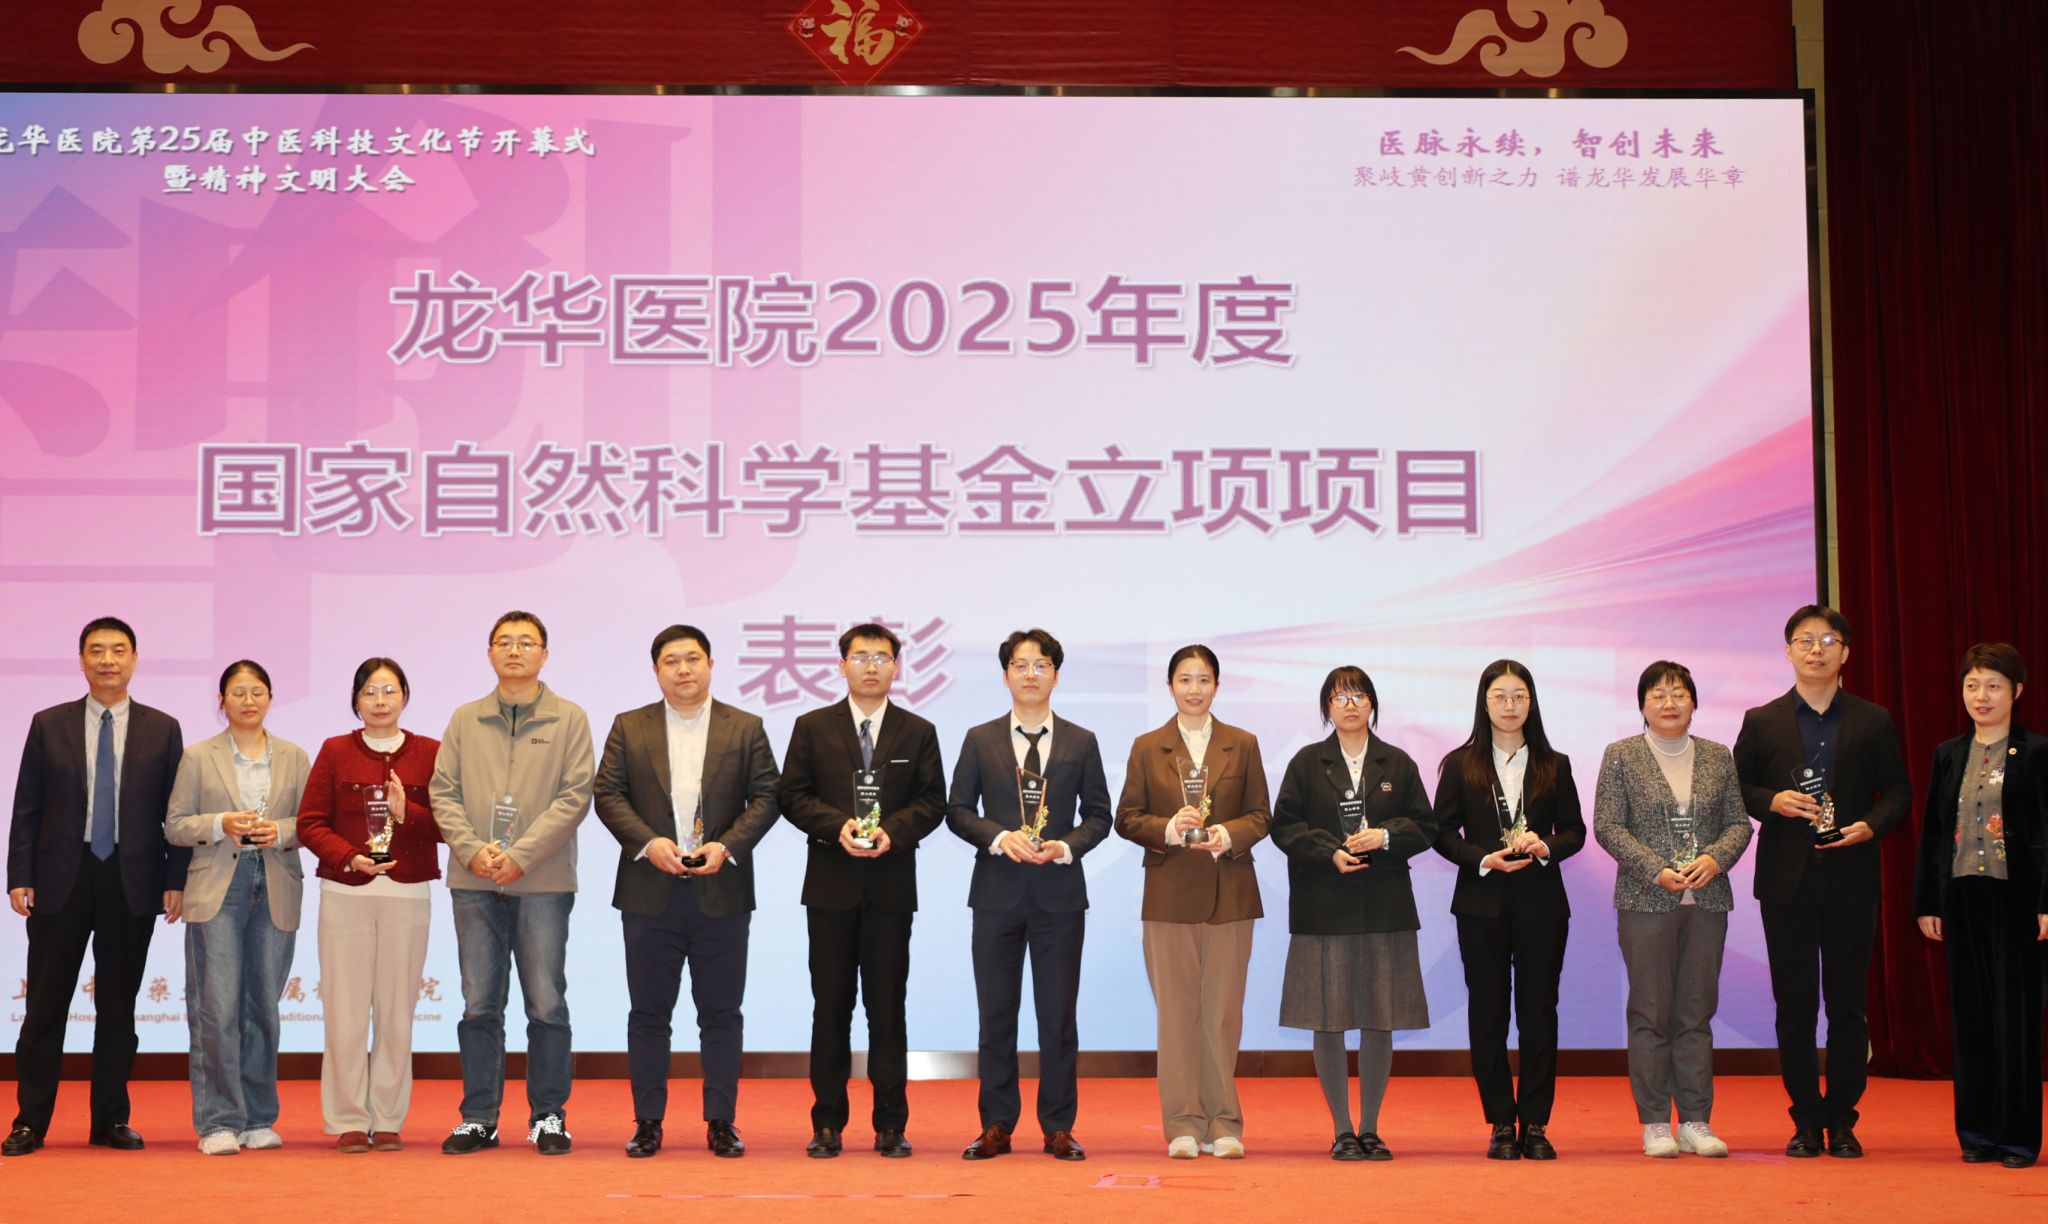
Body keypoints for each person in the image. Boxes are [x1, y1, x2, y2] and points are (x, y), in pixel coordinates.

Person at [593, 625, 781, 1160]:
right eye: (671, 661)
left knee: (721, 1013)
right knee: (648, 1014)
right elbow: (608, 793)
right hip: (648, 890)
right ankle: (647, 1123)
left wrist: (728, 845)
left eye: (693, 658)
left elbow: (768, 795)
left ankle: (722, 1122)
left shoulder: (745, 727)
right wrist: (647, 842)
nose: (683, 669)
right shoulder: (630, 726)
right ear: (656, 670)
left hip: (721, 889)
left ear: (710, 665)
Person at [1732, 605, 1911, 1159]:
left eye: (1828, 640)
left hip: (1852, 880)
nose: (1816, 650)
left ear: (1845, 653)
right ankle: (1806, 1118)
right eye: (1805, 640)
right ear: (1788, 650)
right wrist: (1772, 801)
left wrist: (1870, 826)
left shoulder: (1873, 718)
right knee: (1795, 1007)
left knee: (1848, 1007)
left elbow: (1899, 792)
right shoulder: (1761, 720)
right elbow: (1737, 788)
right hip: (1786, 883)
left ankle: (1844, 1119)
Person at [5, 617, 186, 1157]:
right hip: (61, 877)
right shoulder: (48, 724)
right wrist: (20, 876)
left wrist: (174, 880)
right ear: (81, 660)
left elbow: (176, 815)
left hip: (132, 879)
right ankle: (29, 1121)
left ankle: (110, 1119)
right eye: (97, 650)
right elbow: (27, 806)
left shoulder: (163, 728)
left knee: (117, 1008)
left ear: (135, 659)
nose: (108, 660)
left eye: (119, 650)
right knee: (45, 1006)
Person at [776, 623, 947, 1159]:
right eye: (860, 656)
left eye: (882, 657)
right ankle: (827, 1123)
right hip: (830, 888)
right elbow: (792, 795)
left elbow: (932, 802)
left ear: (897, 666)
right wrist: (837, 826)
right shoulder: (812, 727)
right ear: (841, 665)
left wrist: (893, 831)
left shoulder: (918, 731)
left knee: (887, 1008)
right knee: (830, 1008)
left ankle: (891, 1124)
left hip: (890, 890)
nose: (871, 666)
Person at [944, 629, 1113, 1163]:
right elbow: (957, 810)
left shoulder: (1081, 741)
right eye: (1021, 665)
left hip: (1059, 898)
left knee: (1057, 1018)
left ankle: (1058, 1127)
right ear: (1006, 675)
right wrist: (998, 837)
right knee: (996, 1015)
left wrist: (1065, 846)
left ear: (1056, 675)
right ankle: (996, 1125)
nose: (1031, 674)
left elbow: (1100, 815)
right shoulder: (980, 738)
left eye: (1041, 665)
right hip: (996, 896)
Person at [430, 610, 594, 1156]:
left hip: (542, 881)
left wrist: (520, 856)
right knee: (479, 1004)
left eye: (526, 642)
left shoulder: (569, 718)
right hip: (473, 879)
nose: (515, 651)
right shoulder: (465, 718)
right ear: (490, 653)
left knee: (546, 1003)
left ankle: (548, 1116)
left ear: (545, 654)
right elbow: (442, 792)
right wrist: (473, 850)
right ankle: (479, 1118)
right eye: (504, 642)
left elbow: (575, 796)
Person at [1114, 644, 1271, 1160]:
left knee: (1223, 1013)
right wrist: (1169, 828)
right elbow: (1126, 818)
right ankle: (1182, 1123)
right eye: (1185, 679)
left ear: (1217, 686)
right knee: (1177, 1013)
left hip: (1231, 893)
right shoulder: (1147, 747)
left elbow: (1261, 815)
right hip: (1169, 896)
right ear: (1170, 686)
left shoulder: (1242, 744)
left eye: (1204, 679)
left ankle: (1224, 1122)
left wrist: (1226, 834)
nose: (1194, 689)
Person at [1272, 666, 1433, 1162]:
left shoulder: (1397, 762)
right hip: (1324, 907)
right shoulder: (1307, 762)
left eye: (1359, 696)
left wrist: (1385, 837)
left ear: (1372, 705)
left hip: (1385, 906)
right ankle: (1342, 1129)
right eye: (1340, 697)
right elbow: (1283, 827)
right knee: (1328, 1020)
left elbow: (1426, 826)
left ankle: (1371, 1128)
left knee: (1380, 1018)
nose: (1350, 705)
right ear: (1327, 707)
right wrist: (1329, 851)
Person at [1594, 660, 1752, 1159]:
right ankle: (1656, 1122)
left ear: (1694, 702)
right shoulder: (1621, 755)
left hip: (1706, 900)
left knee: (1696, 1012)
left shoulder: (1717, 756)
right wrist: (1654, 869)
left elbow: (1739, 823)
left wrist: (1715, 858)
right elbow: (1607, 825)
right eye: (1658, 695)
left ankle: (1697, 1121)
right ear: (1642, 704)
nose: (1669, 703)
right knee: (1651, 1011)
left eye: (1679, 693)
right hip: (1646, 900)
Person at [1431, 659, 1585, 1161]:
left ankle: (1536, 1122)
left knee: (1539, 1012)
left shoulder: (1555, 763)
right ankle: (1501, 1121)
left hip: (1542, 904)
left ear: (1532, 702)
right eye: (1500, 696)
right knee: (1489, 1011)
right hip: (1481, 903)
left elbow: (1575, 831)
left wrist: (1545, 847)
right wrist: (1482, 858)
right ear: (1485, 702)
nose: (1510, 705)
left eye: (1519, 695)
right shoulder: (1461, 764)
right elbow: (1440, 832)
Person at [296, 657, 442, 1153]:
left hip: (407, 892)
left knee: (398, 1011)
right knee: (345, 1010)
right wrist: (349, 857)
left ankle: (388, 1117)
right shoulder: (335, 750)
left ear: (405, 696)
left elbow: (449, 825)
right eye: (370, 692)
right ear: (356, 700)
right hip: (346, 892)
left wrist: (409, 811)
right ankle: (348, 1119)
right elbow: (310, 822)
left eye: (389, 691)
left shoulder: (430, 752)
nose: (380, 701)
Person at [165, 660, 310, 1155]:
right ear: (221, 700)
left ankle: (258, 1118)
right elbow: (175, 825)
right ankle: (219, 1122)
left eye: (257, 691)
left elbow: (311, 822)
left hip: (274, 882)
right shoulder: (198, 756)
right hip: (217, 887)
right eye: (238, 692)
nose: (248, 701)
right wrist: (220, 822)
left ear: (270, 697)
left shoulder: (294, 756)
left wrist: (281, 831)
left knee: (263, 1008)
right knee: (217, 1008)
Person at [1912, 643, 2048, 1168]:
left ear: (2017, 691)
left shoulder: (2037, 752)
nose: (1981, 696)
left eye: (1993, 685)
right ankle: (1976, 1133)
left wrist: (2046, 901)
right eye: (1972, 685)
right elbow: (1932, 833)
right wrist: (1928, 900)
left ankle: (2016, 1138)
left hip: (2018, 900)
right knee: (1970, 1018)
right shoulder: (1949, 753)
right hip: (1961, 897)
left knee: (2015, 1019)